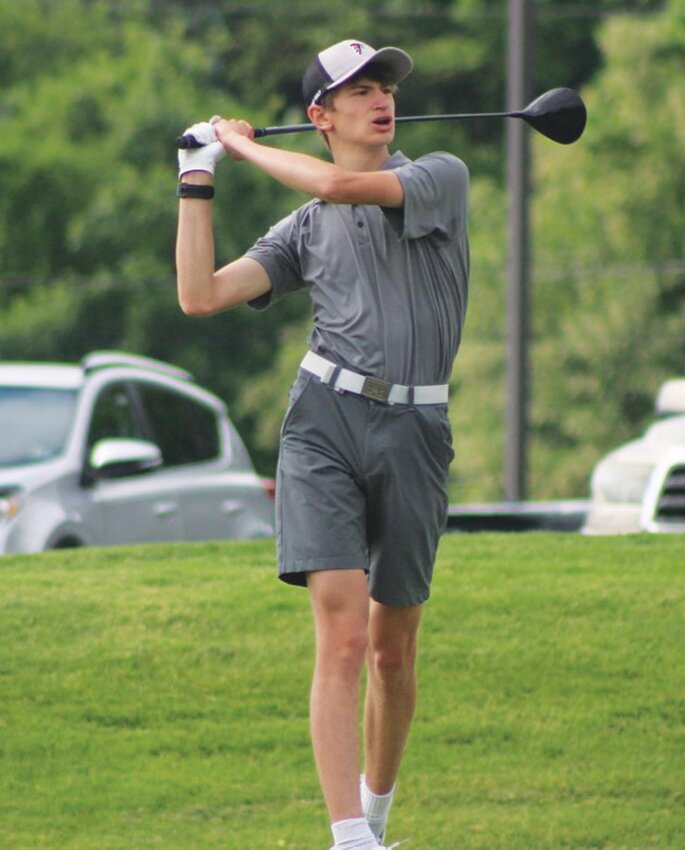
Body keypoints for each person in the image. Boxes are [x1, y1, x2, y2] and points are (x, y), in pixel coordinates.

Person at [175, 38, 469, 850]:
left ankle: (376, 816)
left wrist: (238, 144)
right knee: (341, 633)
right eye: (359, 90)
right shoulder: (303, 227)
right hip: (323, 424)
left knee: (390, 652)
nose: (382, 99)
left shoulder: (438, 176)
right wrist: (196, 180)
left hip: (416, 429)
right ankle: (349, 839)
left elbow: (341, 183)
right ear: (320, 114)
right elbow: (200, 296)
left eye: (386, 87)